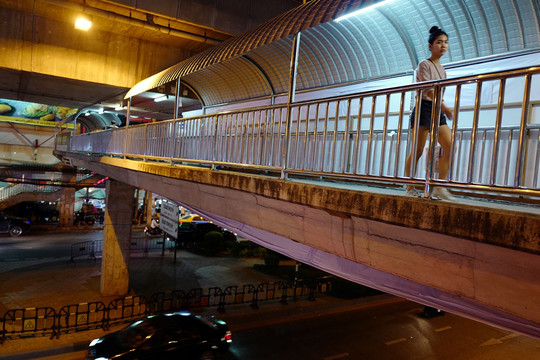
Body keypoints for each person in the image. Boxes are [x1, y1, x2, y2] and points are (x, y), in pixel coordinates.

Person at [405, 26, 455, 200]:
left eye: (446, 42)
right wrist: (445, 106)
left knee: (449, 145)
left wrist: (441, 107)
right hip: (425, 108)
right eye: (439, 42)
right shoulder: (424, 64)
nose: (443, 45)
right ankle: (410, 187)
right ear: (430, 46)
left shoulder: (442, 69)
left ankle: (439, 187)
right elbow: (429, 89)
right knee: (418, 150)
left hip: (437, 110)